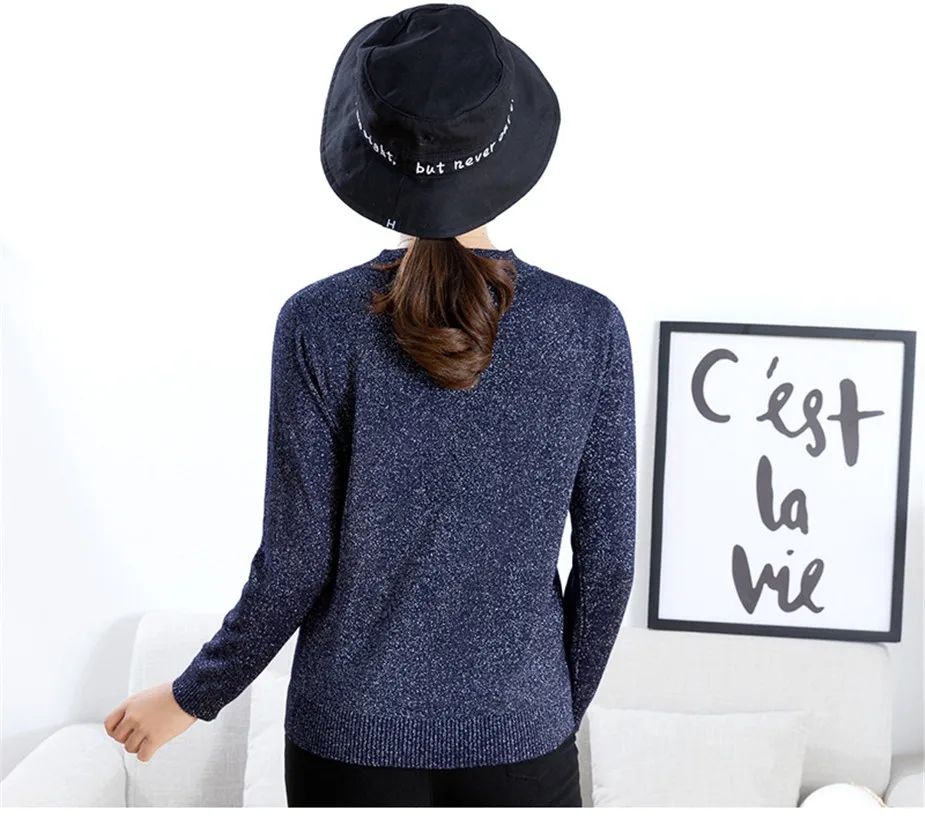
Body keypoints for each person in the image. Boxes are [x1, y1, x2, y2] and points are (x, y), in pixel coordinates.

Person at [103, 2, 636, 808]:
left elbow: (293, 566)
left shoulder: (317, 322)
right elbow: (608, 564)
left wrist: (188, 697)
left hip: (345, 742)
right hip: (522, 740)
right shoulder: (588, 327)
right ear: (507, 137)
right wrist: (543, 712)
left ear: (371, 147)